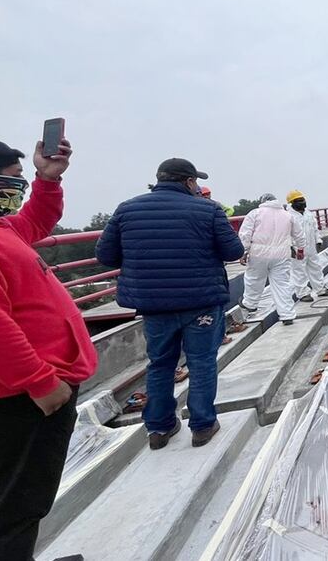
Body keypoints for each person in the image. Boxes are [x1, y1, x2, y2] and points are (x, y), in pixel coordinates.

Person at [0, 137, 98, 561]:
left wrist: (48, 179)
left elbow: (38, 219)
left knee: (25, 497)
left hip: (34, 389)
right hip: (24, 396)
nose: (18, 190)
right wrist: (40, 383)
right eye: (11, 180)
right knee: (15, 503)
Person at [97, 158, 244, 450]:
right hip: (200, 301)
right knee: (201, 362)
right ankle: (202, 426)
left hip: (154, 304)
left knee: (160, 363)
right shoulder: (208, 209)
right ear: (189, 182)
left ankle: (159, 429)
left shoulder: (127, 209)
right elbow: (233, 250)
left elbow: (106, 256)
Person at [235, 193, 305, 326]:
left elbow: (245, 234)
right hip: (281, 254)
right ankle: (287, 315)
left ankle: (250, 305)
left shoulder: (255, 213)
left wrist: (243, 252)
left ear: (262, 201)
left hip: (259, 254)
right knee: (282, 284)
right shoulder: (287, 215)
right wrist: (300, 250)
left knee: (254, 280)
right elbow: (299, 235)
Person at [286, 189, 328, 301]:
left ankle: (320, 289)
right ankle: (302, 293)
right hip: (297, 248)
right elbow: (286, 234)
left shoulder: (308, 214)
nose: (302, 202)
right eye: (298, 201)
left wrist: (318, 240)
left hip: (311, 246)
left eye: (302, 200)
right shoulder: (288, 216)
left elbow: (315, 228)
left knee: (315, 267)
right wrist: (290, 247)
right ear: (292, 203)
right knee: (299, 270)